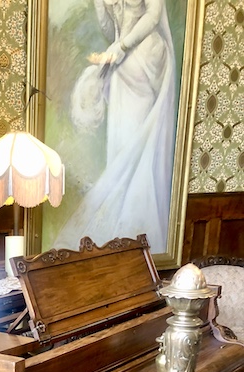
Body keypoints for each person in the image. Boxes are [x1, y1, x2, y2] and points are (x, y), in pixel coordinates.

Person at [54, 0, 176, 255]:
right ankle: (120, 237)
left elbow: (153, 16)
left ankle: (138, 237)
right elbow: (111, 31)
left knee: (138, 146)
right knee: (121, 147)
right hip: (122, 65)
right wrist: (101, 8)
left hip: (146, 58)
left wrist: (122, 46)